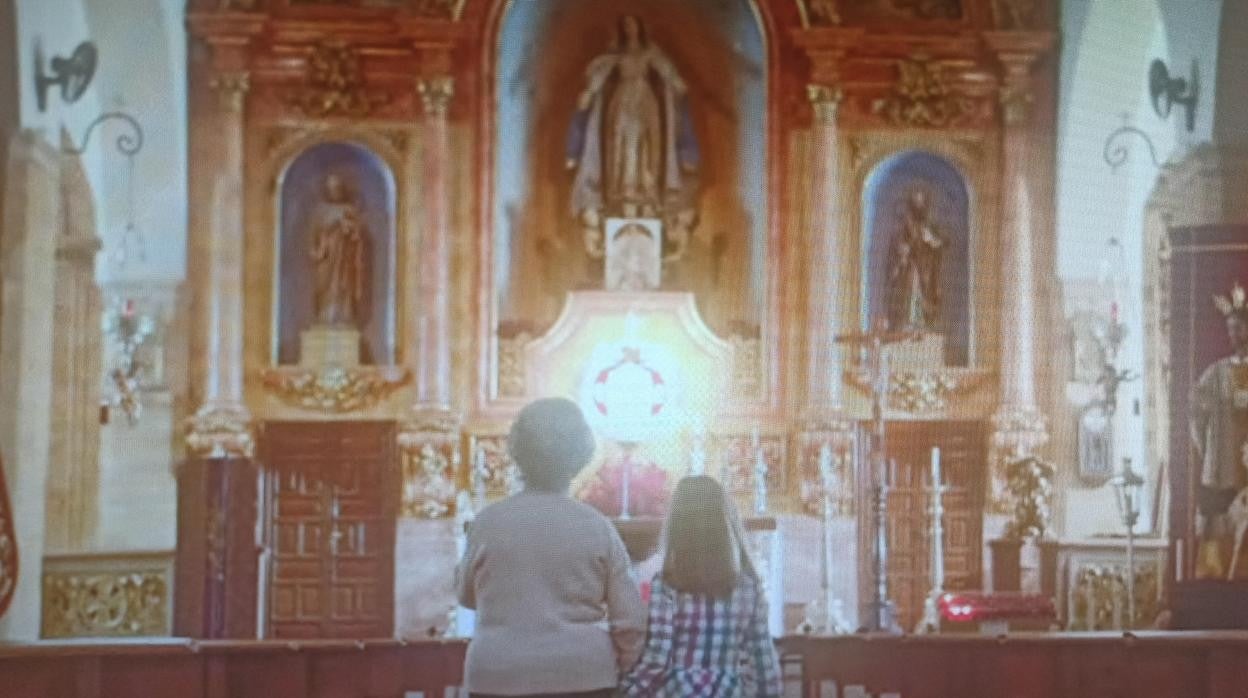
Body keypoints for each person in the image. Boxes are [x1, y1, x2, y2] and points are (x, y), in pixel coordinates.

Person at [456, 397, 645, 698]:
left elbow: (465, 596)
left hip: (498, 674)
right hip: (583, 675)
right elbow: (631, 622)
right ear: (580, 455)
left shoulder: (487, 523)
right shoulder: (597, 526)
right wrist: (621, 668)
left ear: (518, 451)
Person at [619, 476, 782, 697]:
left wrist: (627, 691)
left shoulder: (666, 585)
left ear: (677, 527)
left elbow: (656, 660)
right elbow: (764, 664)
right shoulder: (747, 586)